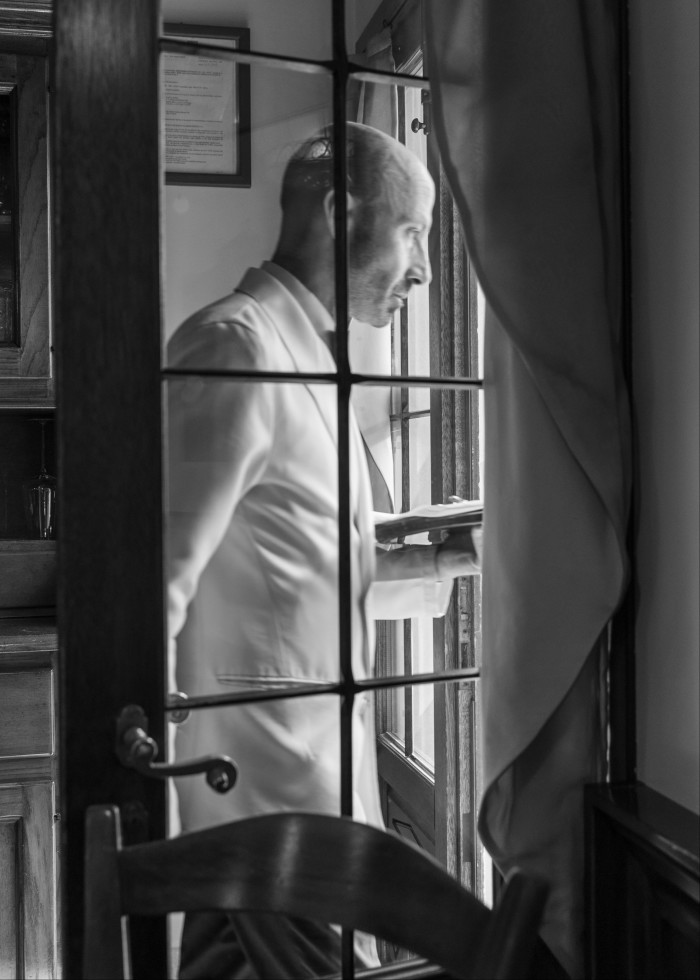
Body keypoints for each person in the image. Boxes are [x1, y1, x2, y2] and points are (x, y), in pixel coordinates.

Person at [166, 122, 482, 979]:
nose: (422, 268)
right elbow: (156, 583)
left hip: (323, 803)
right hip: (254, 814)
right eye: (414, 233)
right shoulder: (236, 346)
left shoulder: (316, 358)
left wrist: (446, 556)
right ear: (343, 213)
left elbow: (296, 572)